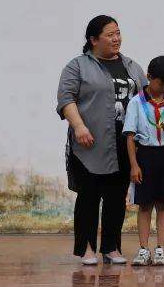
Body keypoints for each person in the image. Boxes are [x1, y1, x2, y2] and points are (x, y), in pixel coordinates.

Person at [56, 15, 146, 265]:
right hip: (90, 144)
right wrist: (79, 126)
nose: (116, 38)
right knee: (89, 197)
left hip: (124, 144)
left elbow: (146, 99)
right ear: (93, 40)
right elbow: (66, 99)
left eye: (118, 33)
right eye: (110, 34)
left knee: (117, 198)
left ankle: (111, 247)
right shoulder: (77, 66)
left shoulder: (131, 66)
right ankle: (86, 249)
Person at [124, 56, 164, 267]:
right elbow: (130, 135)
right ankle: (143, 249)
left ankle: (160, 248)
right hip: (145, 155)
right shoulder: (136, 103)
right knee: (144, 205)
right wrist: (134, 165)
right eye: (161, 83)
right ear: (149, 77)